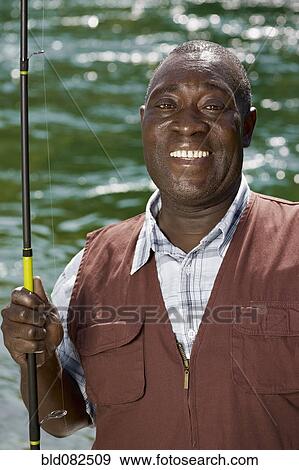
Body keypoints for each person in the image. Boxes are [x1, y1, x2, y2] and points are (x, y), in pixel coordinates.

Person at [1, 40, 299, 450]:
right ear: (144, 123)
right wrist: (36, 359)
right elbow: (62, 422)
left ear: (245, 126)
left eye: (212, 106)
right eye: (166, 106)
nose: (187, 124)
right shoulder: (88, 268)